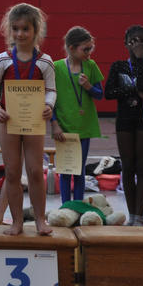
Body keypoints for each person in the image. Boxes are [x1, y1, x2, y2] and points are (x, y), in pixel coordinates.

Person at [0, 3, 56, 236]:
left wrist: (49, 105)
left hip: (34, 121)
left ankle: (39, 221)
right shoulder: (3, 59)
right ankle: (16, 222)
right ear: (9, 30)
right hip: (8, 121)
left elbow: (51, 90)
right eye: (15, 29)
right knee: (12, 173)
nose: (20, 34)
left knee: (35, 171)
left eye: (26, 29)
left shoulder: (45, 61)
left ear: (36, 30)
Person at [105, 25, 143, 226]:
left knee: (142, 165)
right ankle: (132, 214)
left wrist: (141, 58)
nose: (137, 45)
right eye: (133, 42)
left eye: (142, 42)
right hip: (124, 118)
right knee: (127, 166)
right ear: (125, 43)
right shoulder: (117, 66)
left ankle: (140, 217)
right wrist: (136, 91)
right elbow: (109, 93)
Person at [51, 27, 104, 203]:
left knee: (79, 169)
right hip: (64, 127)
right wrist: (54, 123)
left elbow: (100, 95)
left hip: (84, 126)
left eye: (91, 48)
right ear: (72, 48)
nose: (89, 52)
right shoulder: (56, 67)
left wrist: (88, 86)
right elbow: (49, 98)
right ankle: (66, 207)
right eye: (86, 49)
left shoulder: (91, 66)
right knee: (66, 170)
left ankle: (78, 206)